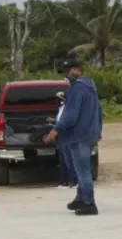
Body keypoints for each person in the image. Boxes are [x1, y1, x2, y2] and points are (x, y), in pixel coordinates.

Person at [44, 60, 103, 216]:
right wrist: (98, 130)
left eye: (69, 70)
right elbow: (99, 109)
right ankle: (81, 197)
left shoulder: (77, 88)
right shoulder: (91, 88)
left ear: (79, 70)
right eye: (64, 71)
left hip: (78, 135)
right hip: (88, 134)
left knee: (82, 171)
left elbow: (70, 115)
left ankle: (89, 203)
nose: (66, 74)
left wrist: (56, 130)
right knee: (81, 169)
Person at [47, 91, 77, 189]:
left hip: (67, 137)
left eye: (58, 99)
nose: (57, 101)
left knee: (69, 160)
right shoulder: (61, 109)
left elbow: (65, 122)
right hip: (61, 137)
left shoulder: (67, 109)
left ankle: (74, 181)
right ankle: (63, 182)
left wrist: (54, 121)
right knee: (63, 160)